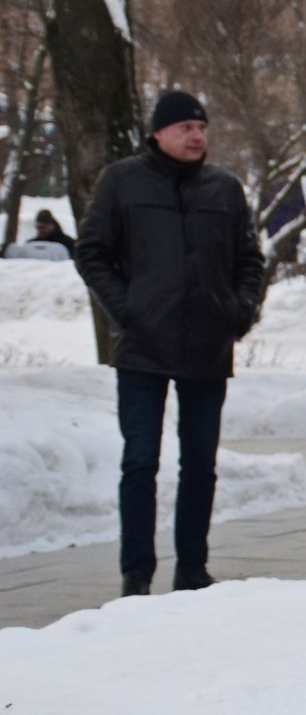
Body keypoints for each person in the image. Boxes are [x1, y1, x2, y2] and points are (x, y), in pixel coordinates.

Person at [74, 88, 267, 597]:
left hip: (207, 343)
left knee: (200, 463)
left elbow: (250, 261)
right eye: (186, 127)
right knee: (140, 461)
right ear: (158, 133)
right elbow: (92, 252)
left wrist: (238, 313)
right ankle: (136, 574)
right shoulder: (122, 181)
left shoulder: (224, 189)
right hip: (143, 346)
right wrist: (128, 311)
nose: (197, 136)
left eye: (202, 127)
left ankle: (192, 569)